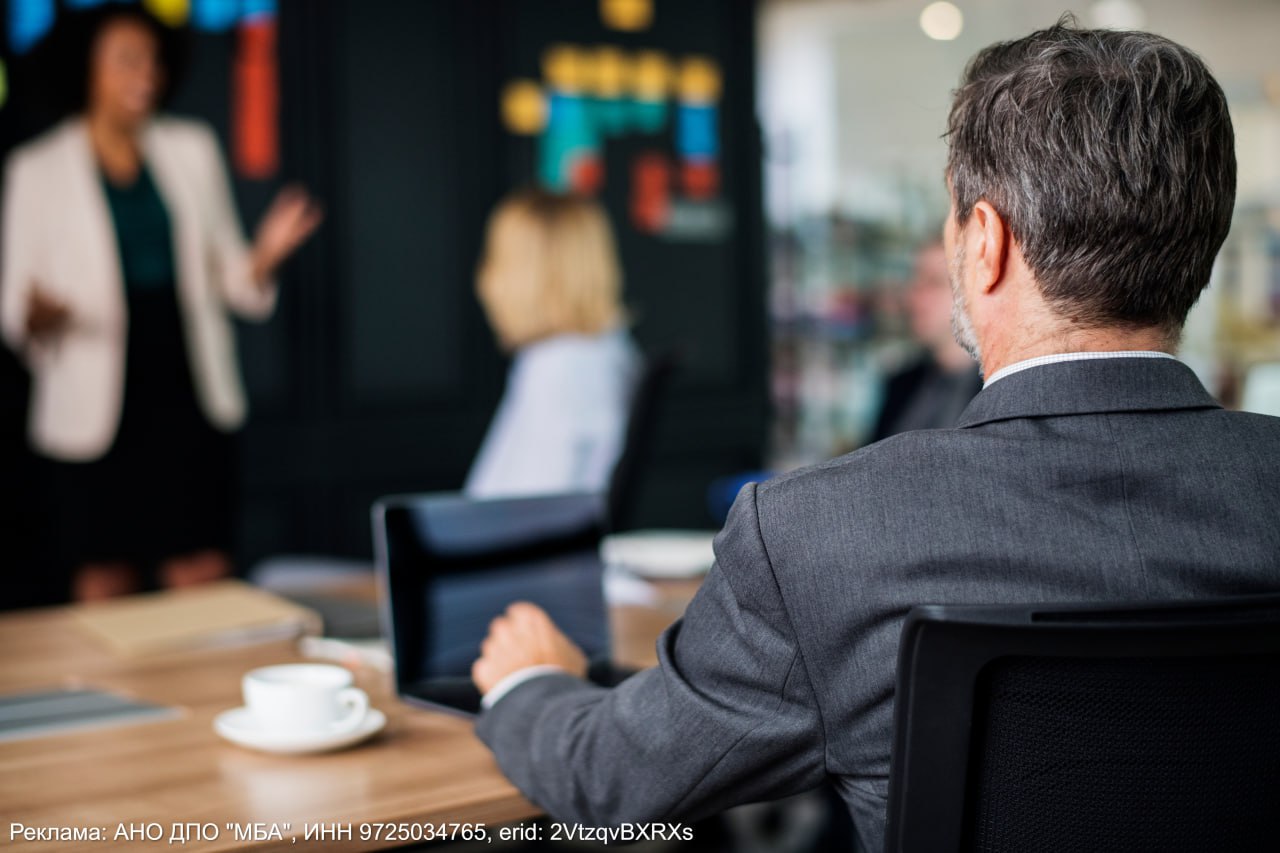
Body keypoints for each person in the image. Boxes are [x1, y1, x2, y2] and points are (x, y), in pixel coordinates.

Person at [468, 21, 1280, 851]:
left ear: (987, 243)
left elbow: (612, 781)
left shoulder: (824, 537)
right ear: (1201, 248)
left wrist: (531, 683)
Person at [0, 6, 321, 601]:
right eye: (126, 60)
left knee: (199, 574)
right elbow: (13, 309)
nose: (144, 74)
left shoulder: (191, 148)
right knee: (104, 583)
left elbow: (228, 275)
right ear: (86, 69)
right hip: (92, 400)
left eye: (151, 60)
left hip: (186, 386)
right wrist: (41, 314)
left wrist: (262, 258)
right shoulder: (35, 169)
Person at [465, 188, 639, 499]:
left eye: (495, 258)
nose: (485, 277)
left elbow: (530, 509)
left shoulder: (562, 367)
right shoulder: (603, 353)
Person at [870, 240, 981, 442]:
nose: (913, 296)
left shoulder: (1001, 393)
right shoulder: (902, 383)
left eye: (933, 282)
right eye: (914, 281)